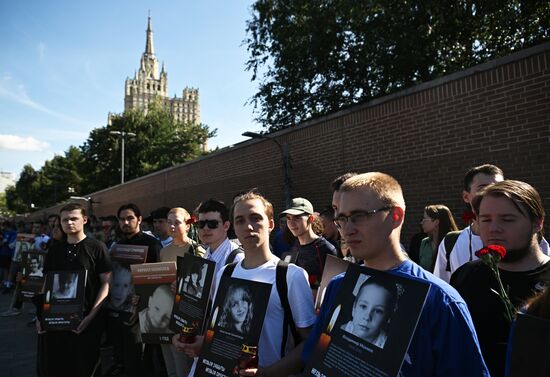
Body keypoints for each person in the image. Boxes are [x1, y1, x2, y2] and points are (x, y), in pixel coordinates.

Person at [259, 172, 489, 376]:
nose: (347, 230)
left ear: (395, 216)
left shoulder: (440, 301)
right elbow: (317, 355)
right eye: (342, 218)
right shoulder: (339, 287)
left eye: (359, 216)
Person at [173, 191, 316, 373]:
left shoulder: (290, 276)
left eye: (256, 218)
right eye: (240, 220)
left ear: (270, 224)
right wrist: (196, 342)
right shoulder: (227, 272)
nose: (248, 226)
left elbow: (310, 343)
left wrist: (267, 373)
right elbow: (220, 331)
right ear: (233, 226)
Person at [451, 180, 550, 376]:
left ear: (537, 223)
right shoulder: (465, 276)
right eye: (486, 219)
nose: (494, 228)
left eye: (507, 219)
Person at [38, 202, 112, 377]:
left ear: (84, 219)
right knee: (60, 366)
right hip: (56, 322)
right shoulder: (55, 250)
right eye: (64, 220)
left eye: (74, 218)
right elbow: (47, 282)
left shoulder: (97, 247)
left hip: (87, 321)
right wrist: (40, 314)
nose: (69, 223)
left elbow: (106, 284)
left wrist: (90, 316)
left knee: (87, 367)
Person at [107, 202, 163, 377]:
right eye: (122, 219)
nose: (125, 222)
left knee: (139, 359)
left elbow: (160, 278)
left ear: (139, 219)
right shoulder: (117, 246)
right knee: (121, 355)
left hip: (142, 312)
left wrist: (142, 304)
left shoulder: (152, 244)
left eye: (130, 218)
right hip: (118, 309)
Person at [434, 164, 504, 282]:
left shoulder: (524, 236)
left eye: (499, 188)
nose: (493, 193)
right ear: (466, 196)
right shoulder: (450, 243)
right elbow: (441, 289)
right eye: (483, 188)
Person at [282, 197, 337, 289]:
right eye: (288, 218)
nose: (291, 223)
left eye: (297, 217)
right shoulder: (293, 249)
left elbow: (333, 290)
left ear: (310, 219)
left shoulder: (326, 249)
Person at [340, 275, 397, 348]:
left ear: (388, 317)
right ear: (354, 308)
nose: (367, 317)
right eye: (363, 306)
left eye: (378, 311)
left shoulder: (387, 347)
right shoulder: (341, 330)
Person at [197, 199, 243, 277]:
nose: (205, 228)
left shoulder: (238, 260)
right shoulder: (207, 254)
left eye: (212, 224)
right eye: (201, 224)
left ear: (226, 226)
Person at [418, 204, 459, 272]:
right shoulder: (425, 243)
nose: (422, 222)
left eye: (425, 219)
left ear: (436, 222)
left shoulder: (454, 241)